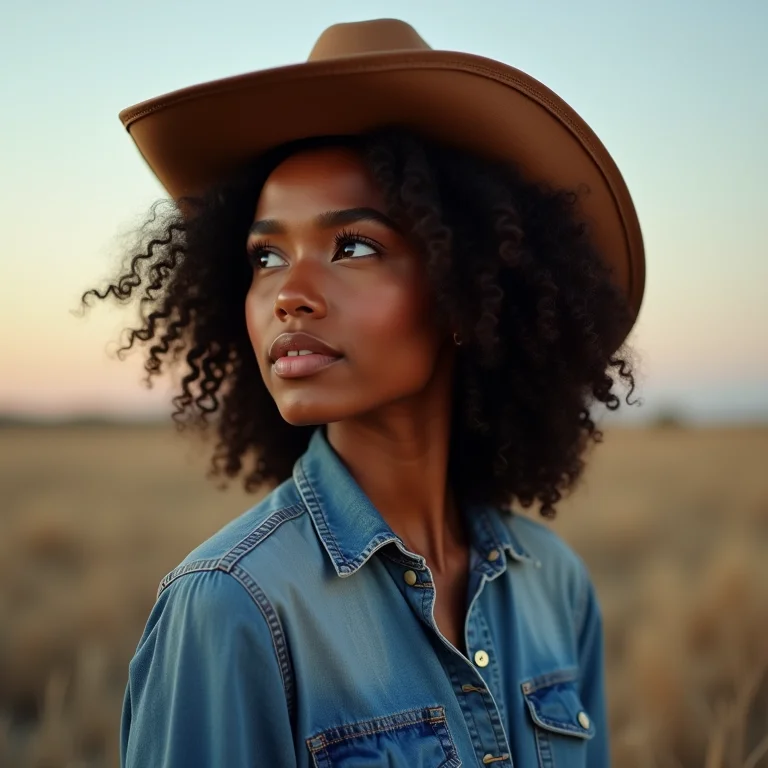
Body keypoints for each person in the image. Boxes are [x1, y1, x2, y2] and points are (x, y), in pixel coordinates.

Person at [86, 18, 644, 768]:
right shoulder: (233, 606)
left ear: (462, 293)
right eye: (267, 255)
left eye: (353, 246)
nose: (289, 294)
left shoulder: (557, 587)